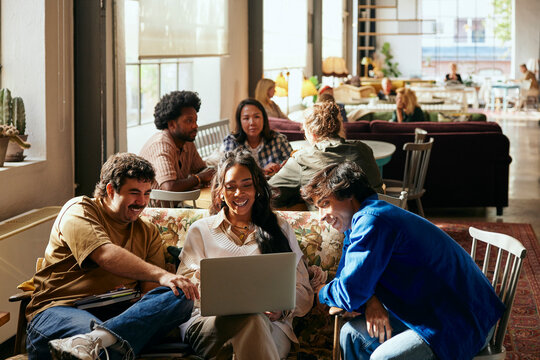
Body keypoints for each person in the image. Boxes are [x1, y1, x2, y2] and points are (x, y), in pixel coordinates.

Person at [301, 161, 505, 360]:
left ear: (349, 195)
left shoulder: (372, 220)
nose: (321, 216)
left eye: (325, 204)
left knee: (384, 357)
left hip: (461, 318)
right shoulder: (357, 224)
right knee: (351, 335)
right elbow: (348, 281)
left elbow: (349, 293)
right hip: (427, 308)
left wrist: (321, 292)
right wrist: (371, 300)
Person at [25, 153, 199, 360]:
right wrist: (162, 275)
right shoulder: (79, 210)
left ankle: (99, 340)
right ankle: (100, 341)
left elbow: (150, 294)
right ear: (110, 190)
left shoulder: (149, 232)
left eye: (147, 193)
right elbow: (105, 254)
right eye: (134, 193)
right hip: (61, 310)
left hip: (120, 315)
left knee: (180, 296)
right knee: (97, 341)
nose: (142, 202)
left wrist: (140, 298)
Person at [177, 148, 313, 359]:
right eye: (230, 187)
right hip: (210, 325)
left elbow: (303, 290)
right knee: (251, 319)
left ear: (257, 187)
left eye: (246, 185)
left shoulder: (279, 228)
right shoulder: (201, 231)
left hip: (271, 325)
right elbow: (184, 292)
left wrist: (281, 310)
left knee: (255, 320)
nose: (238, 194)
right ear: (220, 191)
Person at [269, 101, 383, 208]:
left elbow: (269, 194)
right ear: (340, 128)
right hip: (373, 221)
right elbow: (377, 188)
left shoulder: (302, 159)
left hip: (329, 226)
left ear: (311, 134)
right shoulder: (363, 149)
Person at [139, 90, 215, 192]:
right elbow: (169, 187)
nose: (195, 126)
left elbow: (200, 169)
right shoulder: (161, 145)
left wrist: (213, 171)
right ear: (172, 125)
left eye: (195, 120)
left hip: (177, 204)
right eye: (189, 120)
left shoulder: (187, 142)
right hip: (157, 207)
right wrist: (199, 178)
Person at [222, 98, 293, 177]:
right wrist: (262, 171)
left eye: (256, 117)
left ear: (264, 119)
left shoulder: (279, 139)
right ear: (240, 121)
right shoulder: (232, 141)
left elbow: (294, 166)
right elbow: (229, 172)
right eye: (246, 118)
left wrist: (280, 167)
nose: (252, 123)